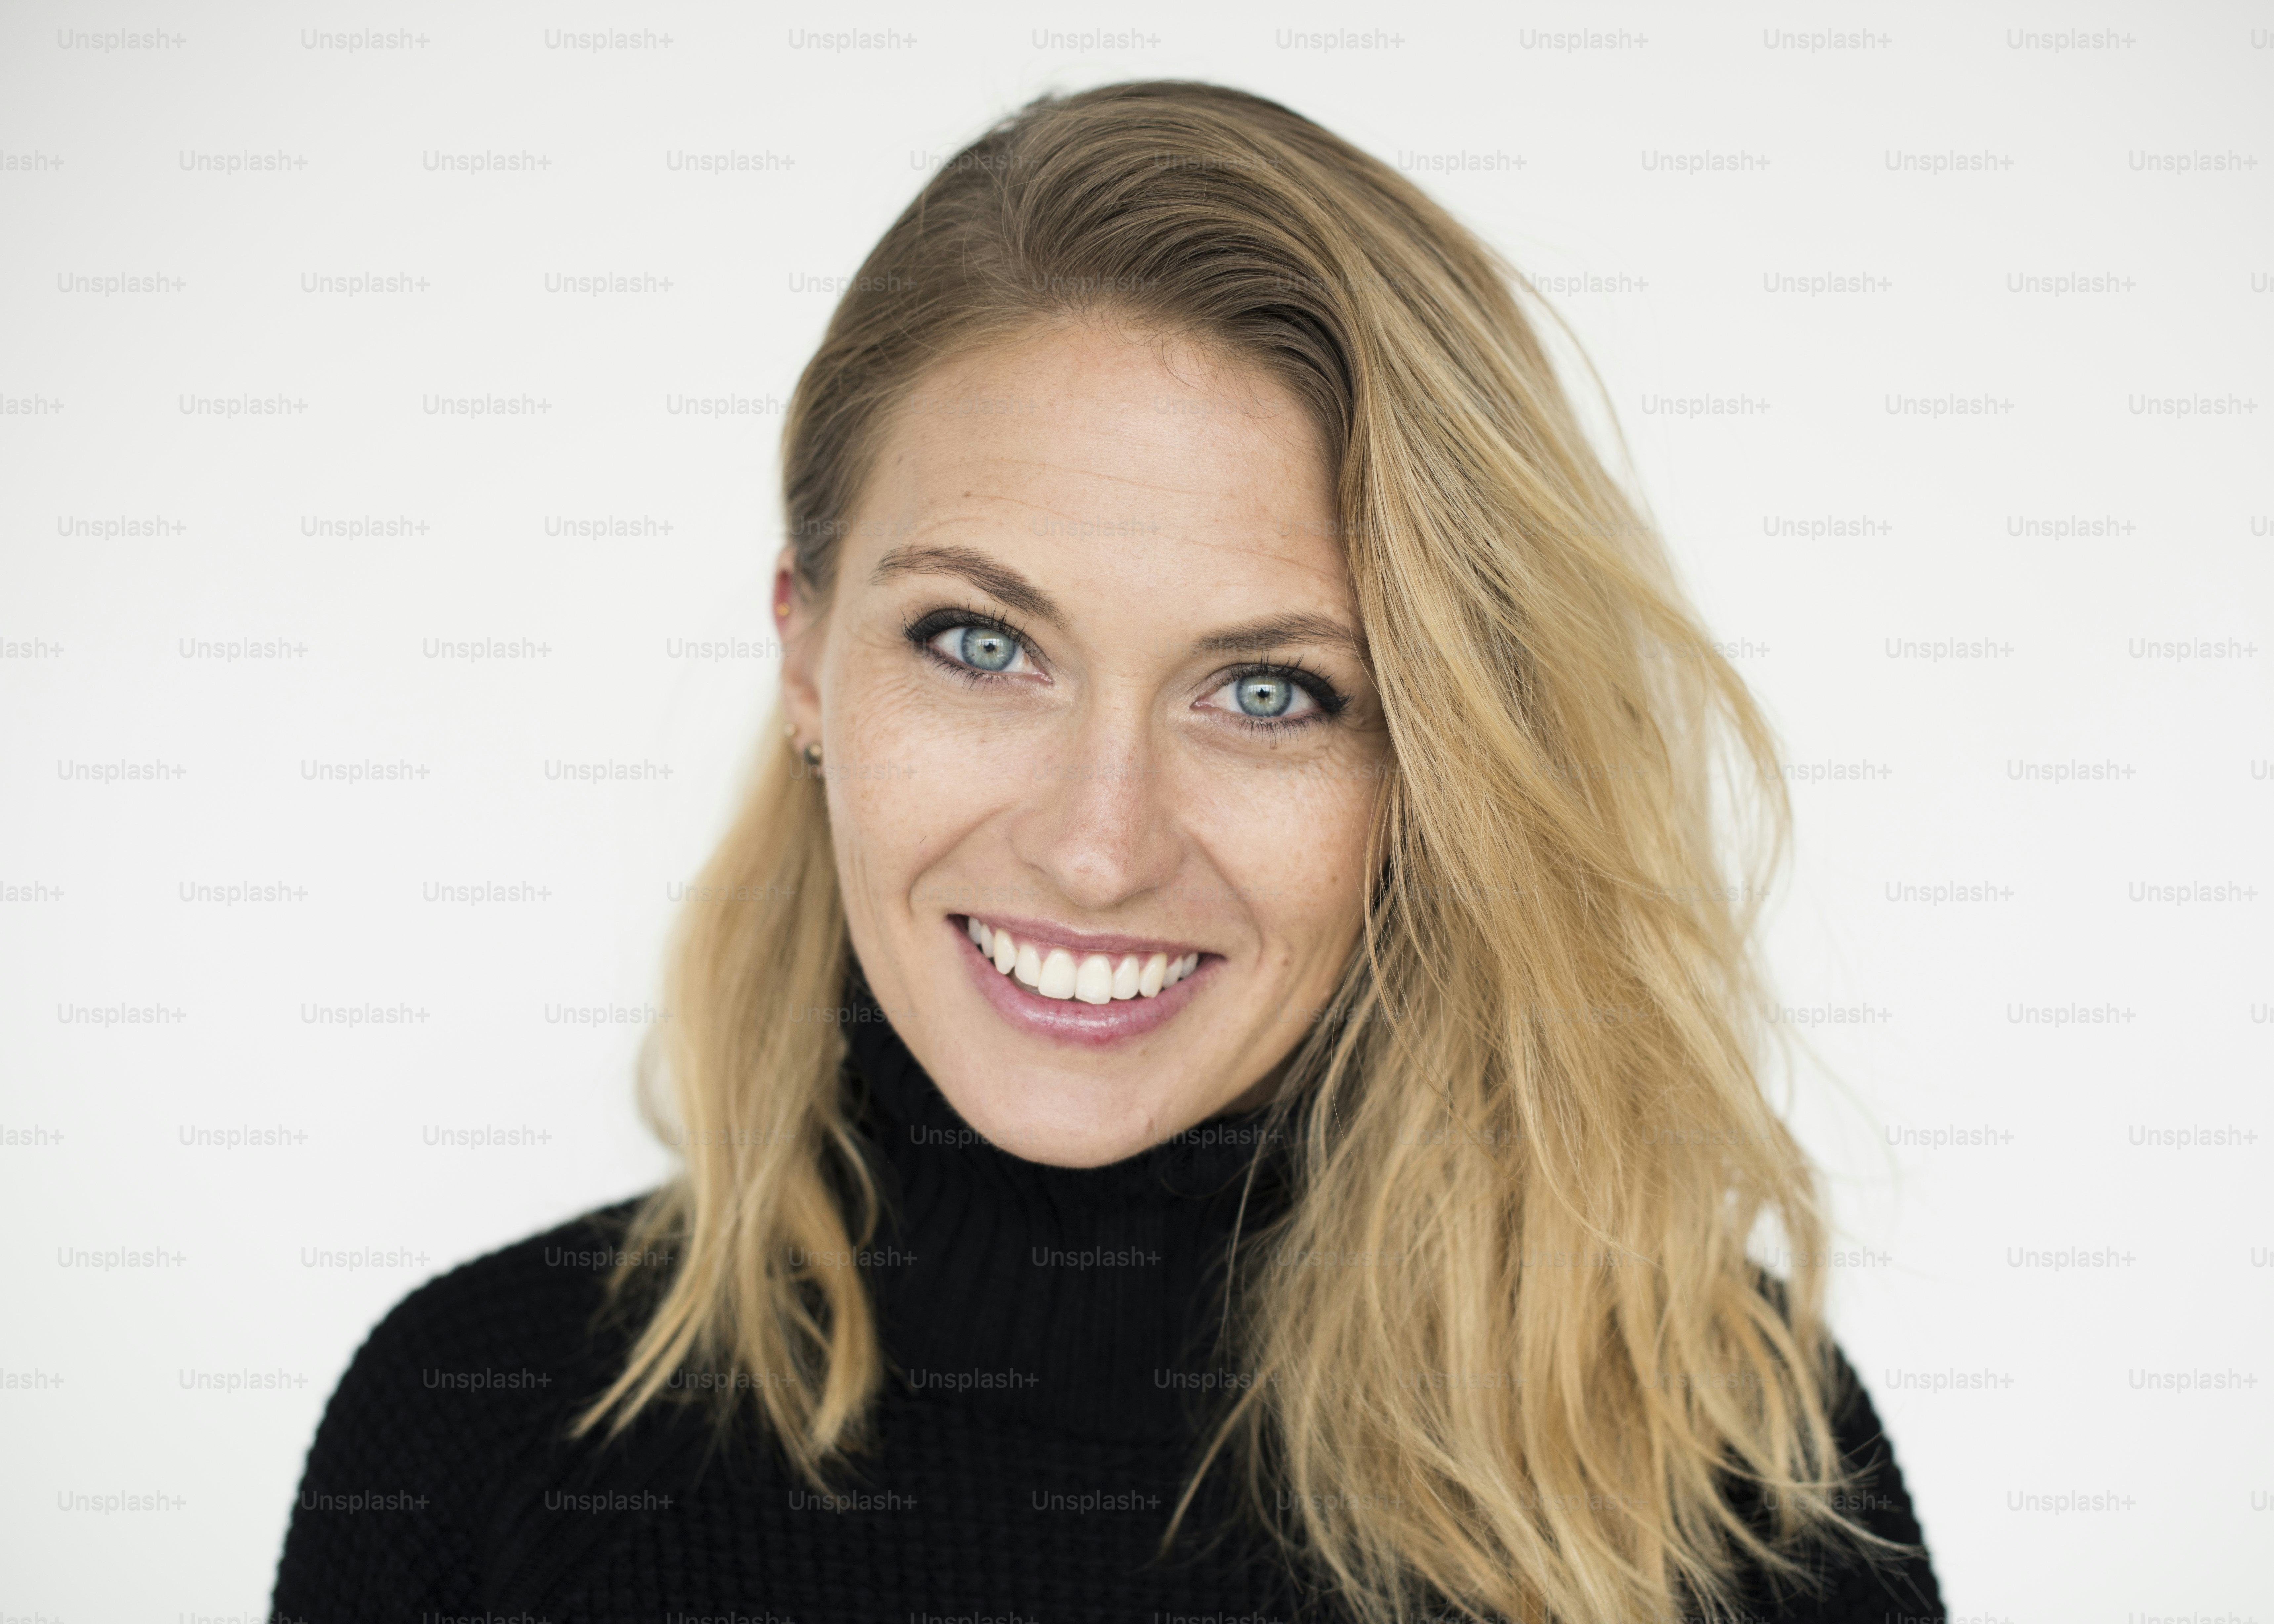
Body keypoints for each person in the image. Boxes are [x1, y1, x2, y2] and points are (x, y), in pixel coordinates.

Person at [275, 81, 1940, 1624]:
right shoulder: (478, 1429)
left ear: (1440, 758)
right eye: (983, 645)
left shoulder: (1729, 1463)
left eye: (1271, 690)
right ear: (805, 654)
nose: (1096, 849)